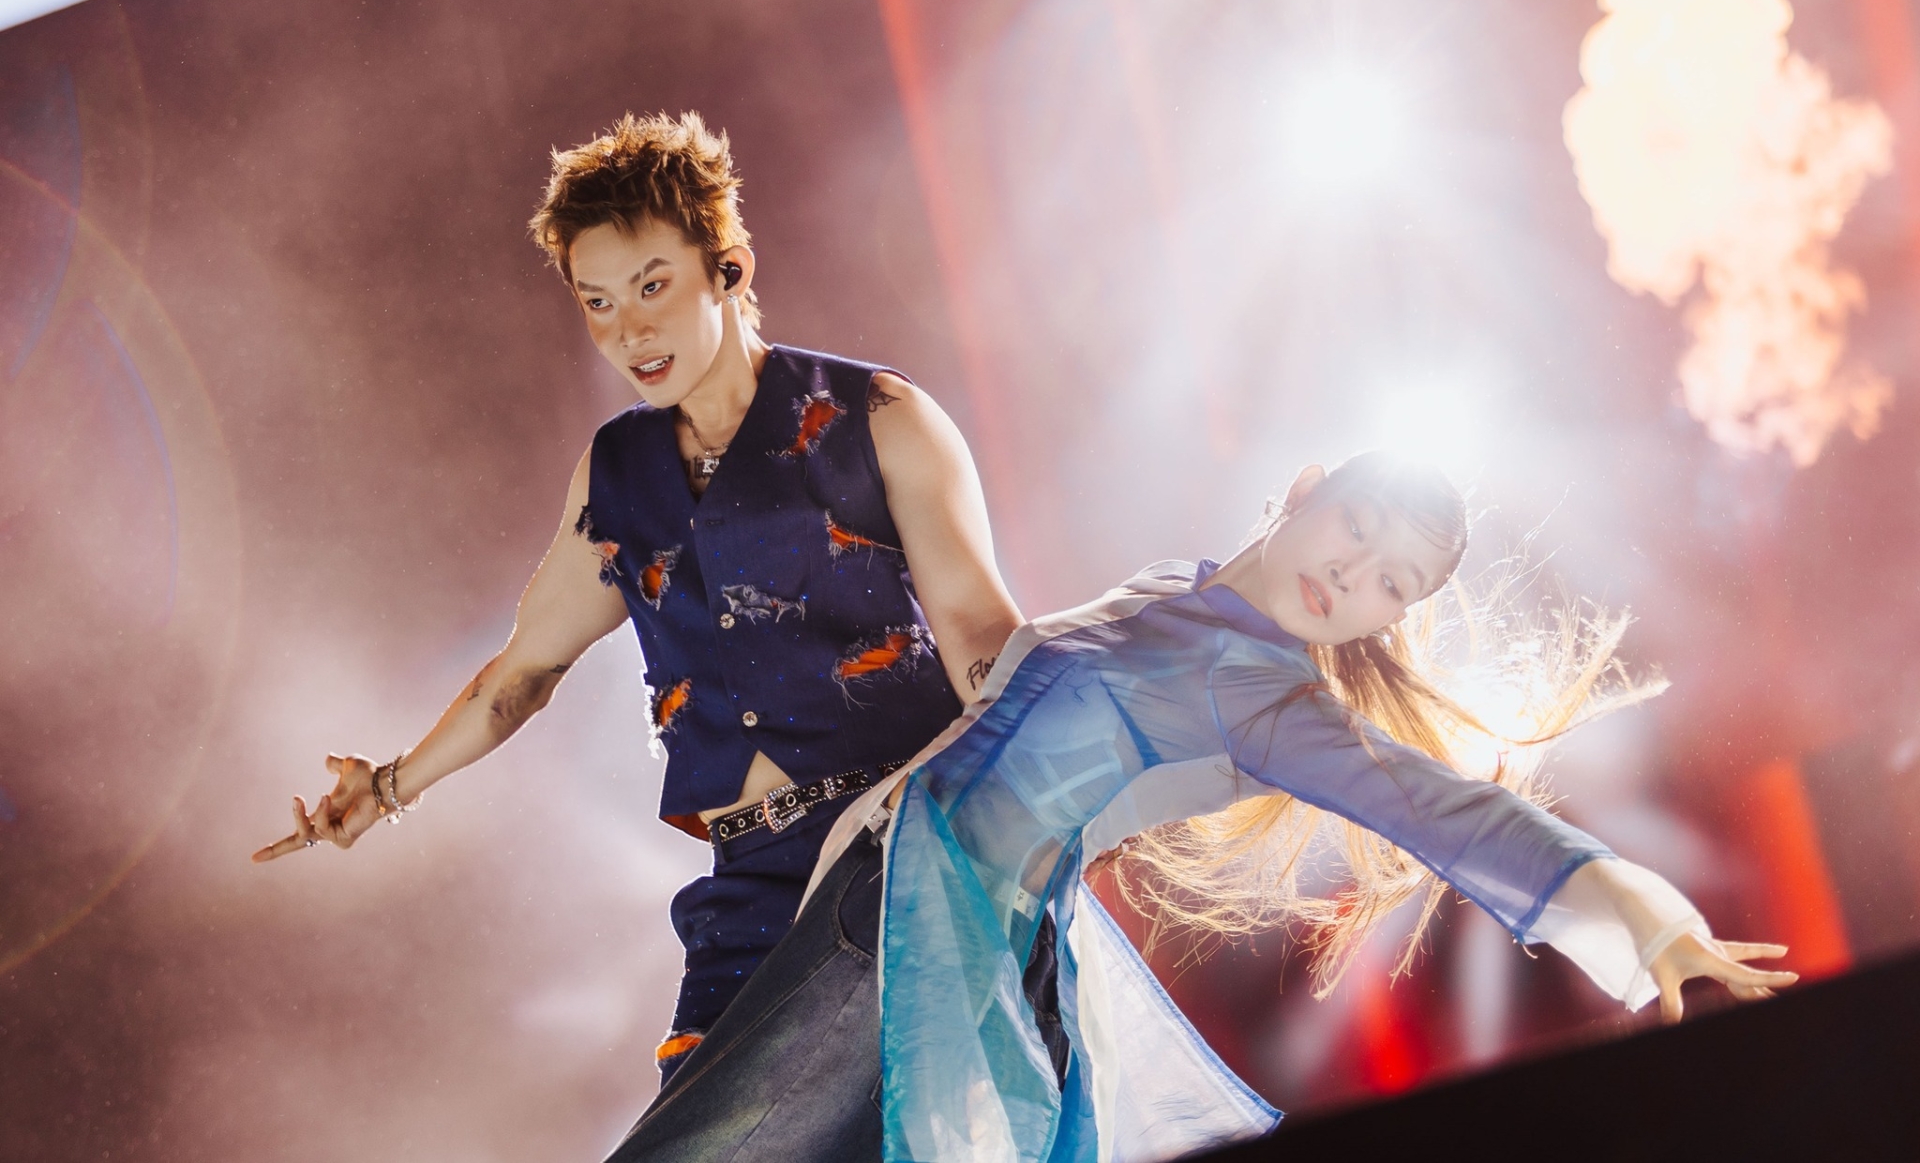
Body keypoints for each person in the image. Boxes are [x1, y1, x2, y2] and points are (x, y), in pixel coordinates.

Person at [618, 452, 1797, 1163]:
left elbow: (1448, 812)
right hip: (892, 909)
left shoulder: (1266, 697)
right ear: (1305, 489)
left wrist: (1646, 919)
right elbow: (963, 748)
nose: (1354, 574)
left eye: (1392, 581)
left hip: (924, 943)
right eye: (1358, 528)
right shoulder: (1174, 589)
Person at [251, 112, 1023, 1094]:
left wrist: (1054, 802)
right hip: (750, 895)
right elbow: (522, 673)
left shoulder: (879, 418)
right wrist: (392, 785)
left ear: (728, 269)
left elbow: (982, 640)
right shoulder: (617, 474)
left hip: (911, 847)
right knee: (700, 1136)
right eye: (599, 302)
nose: (628, 331)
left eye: (653, 286)